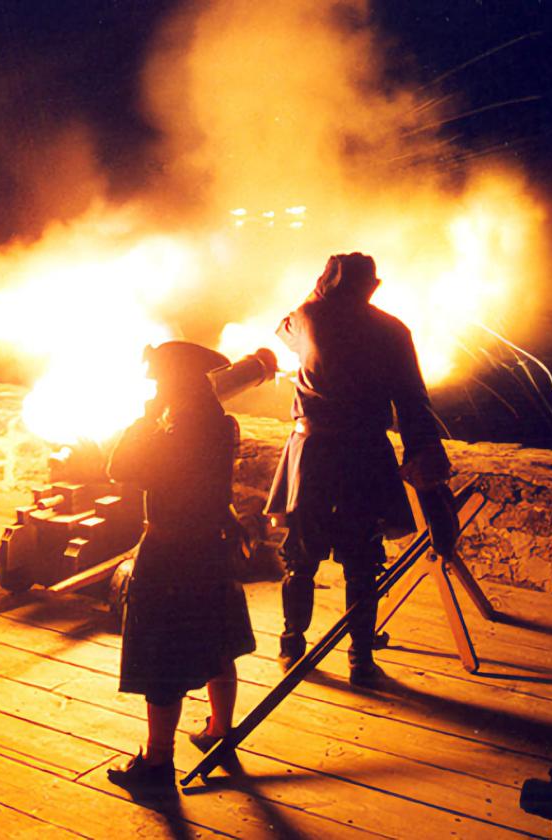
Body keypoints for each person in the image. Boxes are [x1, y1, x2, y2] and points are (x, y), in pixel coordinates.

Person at [264, 252, 451, 687]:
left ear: (327, 281)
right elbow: (413, 401)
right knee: (363, 561)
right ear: (372, 286)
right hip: (365, 455)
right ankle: (360, 659)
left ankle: (292, 645)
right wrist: (425, 459)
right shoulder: (393, 330)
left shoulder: (307, 316)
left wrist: (319, 289)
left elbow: (282, 329)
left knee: (300, 556)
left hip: (312, 455)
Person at [104, 341, 256, 795]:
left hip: (171, 551)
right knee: (217, 638)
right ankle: (220, 731)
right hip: (211, 545)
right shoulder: (219, 424)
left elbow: (119, 468)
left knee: (162, 656)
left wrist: (146, 419)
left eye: (158, 379)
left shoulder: (170, 433)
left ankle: (156, 762)